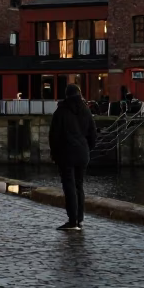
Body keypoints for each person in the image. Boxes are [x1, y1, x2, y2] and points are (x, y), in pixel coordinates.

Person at [48, 84, 96, 231]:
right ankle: (80, 219)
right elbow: (93, 134)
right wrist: (87, 149)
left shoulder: (61, 111)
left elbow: (54, 136)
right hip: (82, 153)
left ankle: (72, 220)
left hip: (66, 153)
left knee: (69, 186)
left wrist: (55, 154)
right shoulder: (86, 110)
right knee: (79, 185)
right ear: (79, 94)